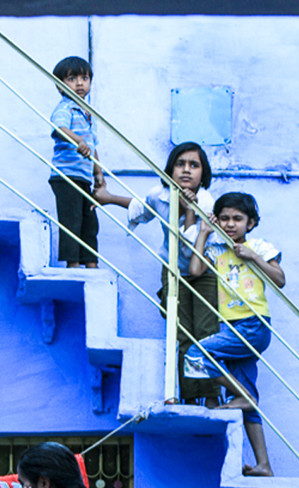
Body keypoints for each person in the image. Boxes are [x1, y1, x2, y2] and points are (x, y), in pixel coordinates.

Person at [93, 141, 222, 405]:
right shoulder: (159, 194)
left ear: (203, 173)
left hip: (204, 272)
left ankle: (209, 396)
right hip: (174, 272)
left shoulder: (207, 203)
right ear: (170, 169)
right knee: (183, 335)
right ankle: (189, 395)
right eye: (180, 164)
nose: (186, 170)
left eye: (194, 165)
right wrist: (108, 198)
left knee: (206, 333)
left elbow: (190, 242)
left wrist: (189, 211)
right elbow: (141, 208)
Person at [185, 191, 286, 477]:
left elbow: (279, 279)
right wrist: (205, 232)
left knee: (196, 354)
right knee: (247, 404)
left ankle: (243, 395)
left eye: (238, 219)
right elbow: (194, 270)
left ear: (251, 223)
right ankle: (263, 465)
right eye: (225, 218)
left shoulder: (260, 246)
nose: (231, 224)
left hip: (254, 325)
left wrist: (253, 257)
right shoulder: (218, 250)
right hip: (231, 328)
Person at [48, 56, 105, 268]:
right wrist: (78, 139)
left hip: (83, 177)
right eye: (72, 78)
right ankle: (72, 264)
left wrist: (99, 175)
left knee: (89, 222)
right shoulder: (65, 108)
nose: (79, 83)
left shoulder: (89, 114)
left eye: (84, 78)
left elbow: (93, 146)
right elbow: (59, 128)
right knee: (72, 220)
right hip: (65, 176)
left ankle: (90, 263)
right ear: (60, 85)